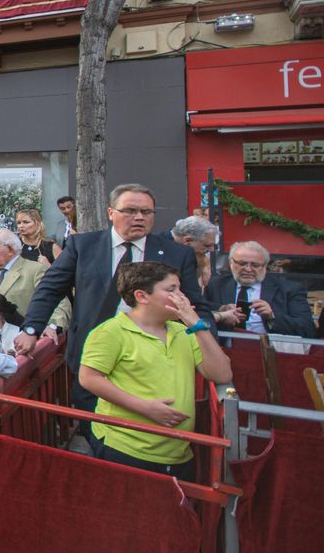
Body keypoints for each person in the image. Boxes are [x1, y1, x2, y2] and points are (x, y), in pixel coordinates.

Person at [16, 183, 214, 438]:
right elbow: (50, 289)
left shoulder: (177, 254)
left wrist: (210, 344)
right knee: (95, 433)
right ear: (111, 212)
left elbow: (196, 305)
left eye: (147, 212)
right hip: (92, 358)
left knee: (141, 433)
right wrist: (32, 329)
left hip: (150, 365)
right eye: (130, 210)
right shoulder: (82, 246)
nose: (140, 217)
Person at [78, 261, 232, 478]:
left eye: (180, 288)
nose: (182, 297)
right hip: (125, 447)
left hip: (177, 452)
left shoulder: (184, 332)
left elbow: (222, 374)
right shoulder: (111, 332)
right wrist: (145, 408)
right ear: (142, 296)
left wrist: (198, 325)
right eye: (171, 290)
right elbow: (89, 378)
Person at [206, 241, 315, 338]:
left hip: (269, 351)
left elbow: (307, 329)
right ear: (231, 263)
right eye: (242, 263)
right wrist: (222, 311)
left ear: (265, 266)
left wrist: (271, 317)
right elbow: (199, 312)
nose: (248, 269)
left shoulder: (289, 289)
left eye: (255, 265)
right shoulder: (214, 285)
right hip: (224, 349)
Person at [0, 229, 68, 330]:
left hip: (21, 337)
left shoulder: (36, 271)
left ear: (10, 249)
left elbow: (59, 303)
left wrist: (52, 327)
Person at [170, 215, 219, 290]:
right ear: (187, 241)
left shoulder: (201, 259)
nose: (212, 250)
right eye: (207, 245)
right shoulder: (161, 249)